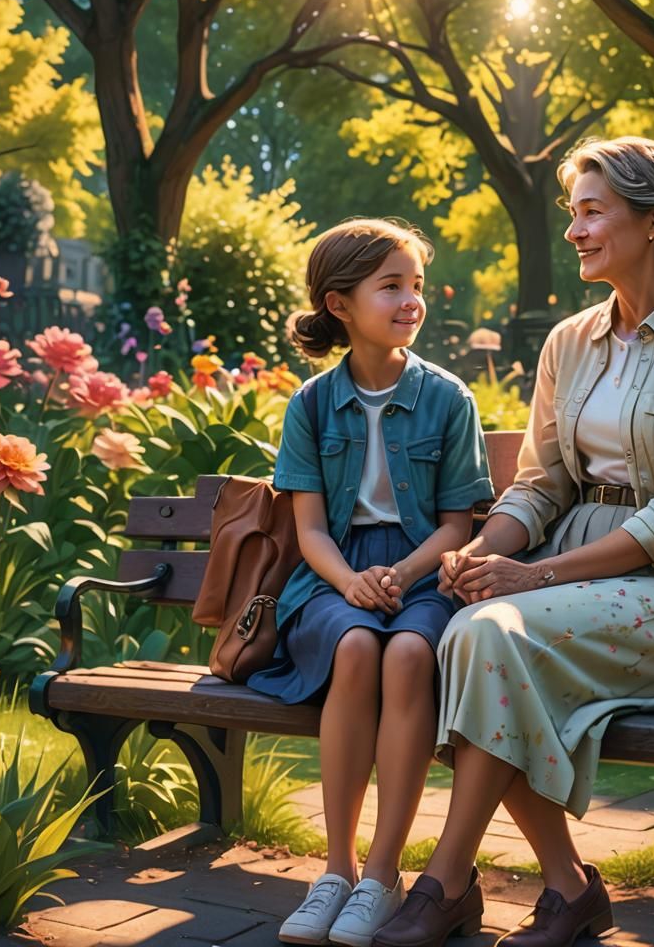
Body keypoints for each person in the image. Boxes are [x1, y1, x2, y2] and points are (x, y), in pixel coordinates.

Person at [374, 137, 654, 947]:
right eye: (572, 214)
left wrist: (533, 576)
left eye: (593, 212)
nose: (576, 230)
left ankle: (448, 882)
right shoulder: (569, 341)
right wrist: (489, 553)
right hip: (568, 572)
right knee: (476, 631)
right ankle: (566, 886)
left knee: (487, 638)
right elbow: (542, 483)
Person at [249, 218, 494, 947]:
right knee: (357, 648)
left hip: (422, 572)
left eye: (416, 284)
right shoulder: (313, 403)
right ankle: (336, 871)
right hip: (334, 574)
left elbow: (459, 525)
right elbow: (310, 530)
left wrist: (404, 572)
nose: (410, 300)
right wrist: (353, 582)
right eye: (391, 286)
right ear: (339, 304)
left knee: (411, 655)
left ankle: (382, 877)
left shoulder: (450, 399)